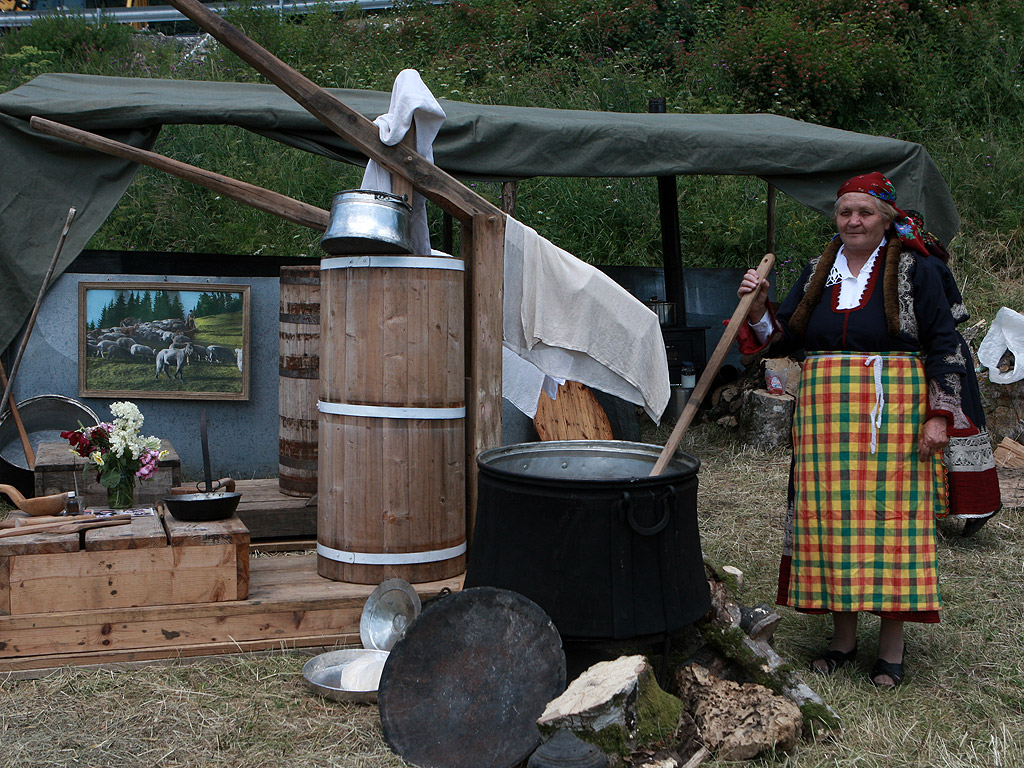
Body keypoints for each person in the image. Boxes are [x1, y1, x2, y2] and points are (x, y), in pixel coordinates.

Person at [735, 172, 999, 688]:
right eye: (845, 212)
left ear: (888, 217)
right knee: (832, 521)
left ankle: (892, 648)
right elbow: (782, 340)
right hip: (826, 414)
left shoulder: (914, 269)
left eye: (866, 212)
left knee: (893, 524)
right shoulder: (818, 271)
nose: (853, 221)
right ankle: (842, 640)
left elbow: (946, 344)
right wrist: (762, 305)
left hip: (895, 411)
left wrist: (940, 414)